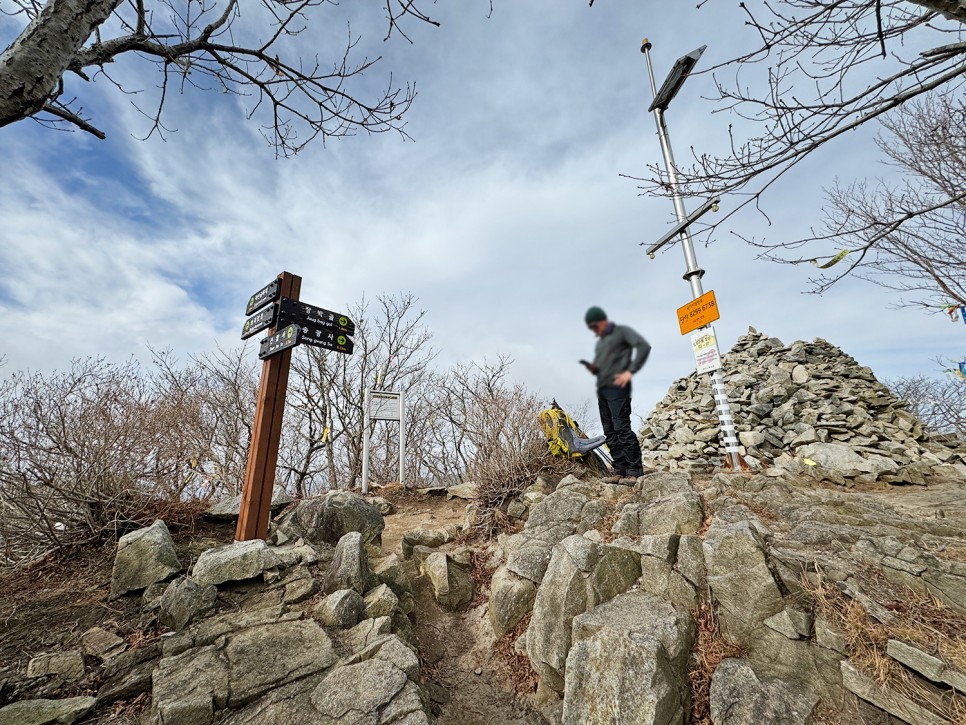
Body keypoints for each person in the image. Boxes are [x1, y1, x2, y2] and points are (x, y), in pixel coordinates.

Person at [581, 306, 650, 484]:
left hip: (619, 389)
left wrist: (629, 372)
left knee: (622, 428)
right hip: (603, 390)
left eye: (595, 326)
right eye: (591, 328)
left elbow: (643, 346)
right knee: (609, 431)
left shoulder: (622, 332)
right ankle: (619, 469)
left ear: (602, 320)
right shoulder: (601, 342)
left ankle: (634, 470)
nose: (594, 330)